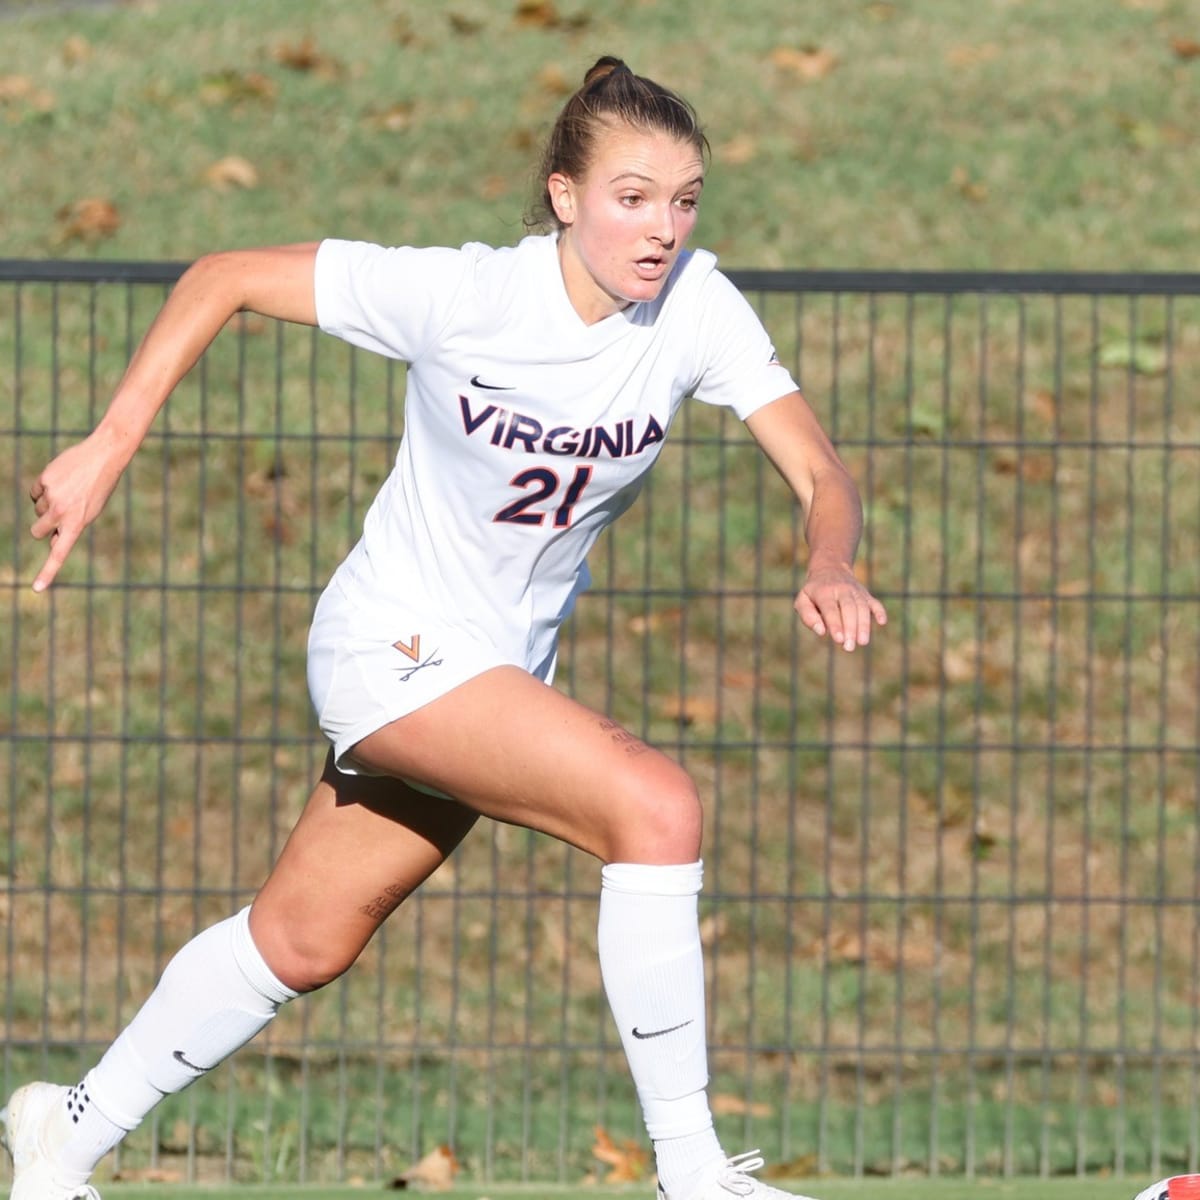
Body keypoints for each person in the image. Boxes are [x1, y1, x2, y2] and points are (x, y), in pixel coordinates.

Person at [3, 56, 886, 1200]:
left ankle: (63, 1130)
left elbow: (819, 467)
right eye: (632, 196)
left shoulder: (698, 307)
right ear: (565, 197)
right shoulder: (464, 295)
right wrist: (106, 447)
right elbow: (222, 275)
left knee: (301, 942)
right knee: (656, 806)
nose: (663, 226)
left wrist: (832, 559)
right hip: (392, 646)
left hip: (491, 676)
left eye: (684, 198)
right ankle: (695, 1176)